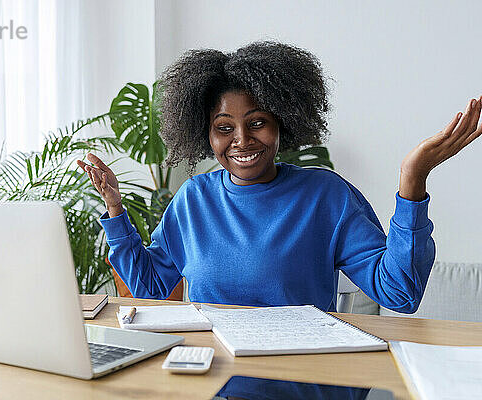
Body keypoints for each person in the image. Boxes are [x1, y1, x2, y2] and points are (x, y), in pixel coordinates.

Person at [77, 41, 480, 397]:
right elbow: (148, 284)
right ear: (207, 134)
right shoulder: (194, 198)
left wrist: (413, 182)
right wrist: (114, 208)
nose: (241, 139)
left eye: (257, 122)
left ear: (281, 124)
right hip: (215, 384)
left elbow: (400, 293)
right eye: (224, 127)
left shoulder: (326, 196)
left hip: (303, 385)